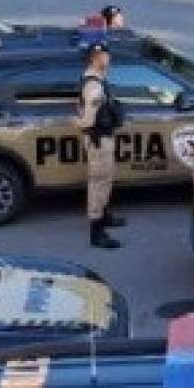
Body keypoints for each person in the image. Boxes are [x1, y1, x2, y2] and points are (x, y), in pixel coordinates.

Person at [77, 41, 123, 249]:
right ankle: (97, 232)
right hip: (98, 140)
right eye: (105, 55)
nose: (109, 58)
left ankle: (104, 216)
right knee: (98, 185)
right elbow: (87, 120)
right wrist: (81, 125)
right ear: (95, 58)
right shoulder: (93, 86)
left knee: (106, 180)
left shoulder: (98, 80)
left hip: (103, 138)